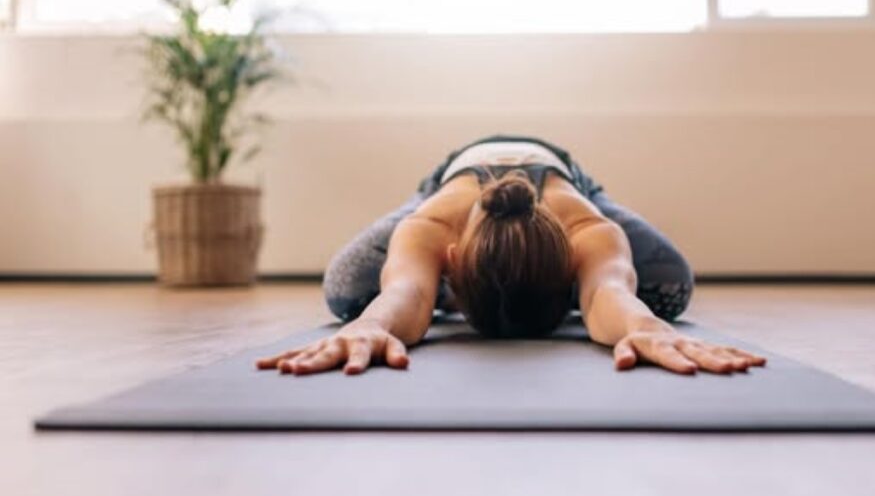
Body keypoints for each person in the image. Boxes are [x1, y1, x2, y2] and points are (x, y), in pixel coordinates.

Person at [256, 133, 766, 376]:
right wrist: (371, 324)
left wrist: (644, 326)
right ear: (449, 261)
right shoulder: (432, 224)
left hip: (566, 177)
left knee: (667, 289)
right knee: (348, 293)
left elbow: (607, 292)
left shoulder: (585, 225)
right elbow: (406, 293)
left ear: (573, 262)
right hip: (452, 178)